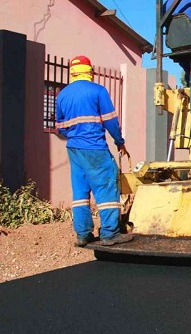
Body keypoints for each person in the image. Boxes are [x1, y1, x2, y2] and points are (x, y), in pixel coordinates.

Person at [56, 55, 133, 247]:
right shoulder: (97, 91)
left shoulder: (63, 95)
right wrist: (119, 141)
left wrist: (74, 136)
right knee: (106, 186)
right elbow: (111, 121)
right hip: (94, 147)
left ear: (72, 72)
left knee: (80, 190)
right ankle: (109, 234)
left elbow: (60, 126)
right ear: (89, 71)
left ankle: (83, 235)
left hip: (74, 148)